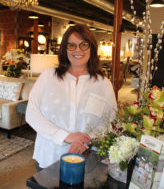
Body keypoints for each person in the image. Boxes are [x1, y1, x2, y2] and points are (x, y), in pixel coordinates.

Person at [25, 24, 117, 170]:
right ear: (64, 49)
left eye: (83, 45)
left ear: (92, 48)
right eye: (71, 45)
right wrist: (64, 136)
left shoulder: (104, 84)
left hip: (86, 158)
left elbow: (109, 121)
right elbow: (31, 114)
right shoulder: (48, 76)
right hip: (49, 157)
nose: (77, 50)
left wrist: (84, 141)